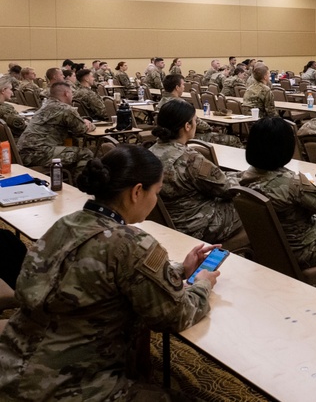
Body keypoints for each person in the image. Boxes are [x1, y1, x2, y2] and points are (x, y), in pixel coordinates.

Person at [0, 146, 218, 401]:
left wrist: (181, 269)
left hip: (12, 364)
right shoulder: (133, 244)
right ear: (137, 192)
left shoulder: (65, 224)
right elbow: (177, 315)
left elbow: (96, 271)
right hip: (66, 386)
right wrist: (203, 284)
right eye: (156, 192)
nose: (156, 200)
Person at [240, 117, 316, 268]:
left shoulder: (244, 178)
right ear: (285, 148)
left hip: (271, 248)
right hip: (304, 250)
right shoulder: (294, 183)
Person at [149, 99, 243, 243]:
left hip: (165, 224)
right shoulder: (190, 159)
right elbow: (226, 188)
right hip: (196, 226)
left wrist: (233, 175)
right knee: (251, 206)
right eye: (195, 120)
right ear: (187, 126)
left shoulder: (149, 152)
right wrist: (246, 176)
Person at [17, 81, 95, 176]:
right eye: (71, 93)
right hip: (39, 153)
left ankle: (68, 178)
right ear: (66, 93)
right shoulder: (66, 109)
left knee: (72, 144)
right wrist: (89, 123)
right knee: (86, 153)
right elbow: (81, 130)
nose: (72, 95)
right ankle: (80, 185)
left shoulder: (45, 105)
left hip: (23, 152)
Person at [157, 74, 242, 147]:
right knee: (234, 139)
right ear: (177, 87)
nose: (184, 87)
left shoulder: (161, 102)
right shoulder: (180, 104)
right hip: (186, 137)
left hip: (166, 137)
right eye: (183, 85)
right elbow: (197, 123)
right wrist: (210, 128)